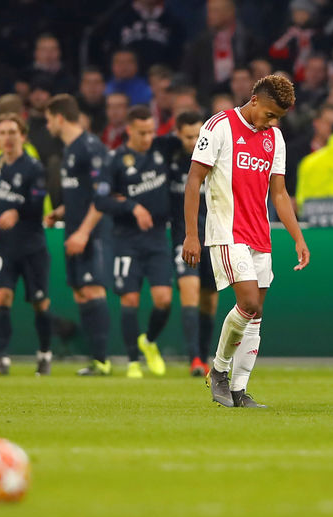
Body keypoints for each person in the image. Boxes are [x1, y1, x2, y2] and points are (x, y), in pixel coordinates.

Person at [182, 75, 309, 407]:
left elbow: (279, 193)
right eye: (270, 114)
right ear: (254, 100)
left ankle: (239, 390)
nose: (273, 122)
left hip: (260, 235)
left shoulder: (275, 138)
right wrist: (192, 234)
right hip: (227, 232)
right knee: (249, 303)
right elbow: (195, 179)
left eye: (278, 117)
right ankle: (219, 372)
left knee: (256, 314)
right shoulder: (219, 126)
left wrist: (297, 236)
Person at [95, 105, 171, 378]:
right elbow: (101, 200)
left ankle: (148, 341)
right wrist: (132, 207)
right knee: (130, 298)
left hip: (157, 238)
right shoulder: (115, 159)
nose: (148, 137)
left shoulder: (162, 149)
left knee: (163, 300)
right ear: (129, 130)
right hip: (126, 240)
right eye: (142, 133)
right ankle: (132, 361)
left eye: (151, 131)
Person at [44, 94, 112, 376]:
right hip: (73, 229)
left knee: (93, 289)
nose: (47, 125)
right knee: (80, 292)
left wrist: (83, 232)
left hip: (91, 233)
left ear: (59, 117)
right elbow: (81, 193)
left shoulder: (90, 146)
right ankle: (95, 360)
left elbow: (102, 194)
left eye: (48, 119)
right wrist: (61, 211)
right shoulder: (70, 150)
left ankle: (102, 361)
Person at [0, 114, 53, 376]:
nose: (8, 137)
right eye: (2, 133)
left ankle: (44, 354)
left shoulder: (34, 167)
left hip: (32, 246)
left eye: (12, 132)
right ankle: (2, 358)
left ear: (22, 136)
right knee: (2, 297)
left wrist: (18, 210)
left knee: (39, 302)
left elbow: (38, 201)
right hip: (3, 245)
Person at [165, 111, 216, 377]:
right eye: (188, 136)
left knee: (209, 302)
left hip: (215, 239)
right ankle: (194, 359)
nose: (194, 140)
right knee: (190, 292)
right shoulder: (171, 161)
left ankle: (205, 357)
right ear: (178, 136)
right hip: (184, 239)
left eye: (198, 135)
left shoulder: (216, 158)